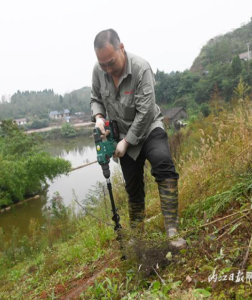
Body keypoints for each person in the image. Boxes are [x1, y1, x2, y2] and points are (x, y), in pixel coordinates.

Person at [90, 29, 186, 249]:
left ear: (121, 48)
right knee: (133, 187)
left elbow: (144, 115)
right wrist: (98, 118)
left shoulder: (141, 68)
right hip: (121, 133)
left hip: (149, 128)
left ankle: (172, 229)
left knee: (163, 163)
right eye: (102, 64)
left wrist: (126, 142)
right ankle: (137, 234)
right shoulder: (99, 69)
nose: (107, 69)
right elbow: (96, 98)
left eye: (111, 62)